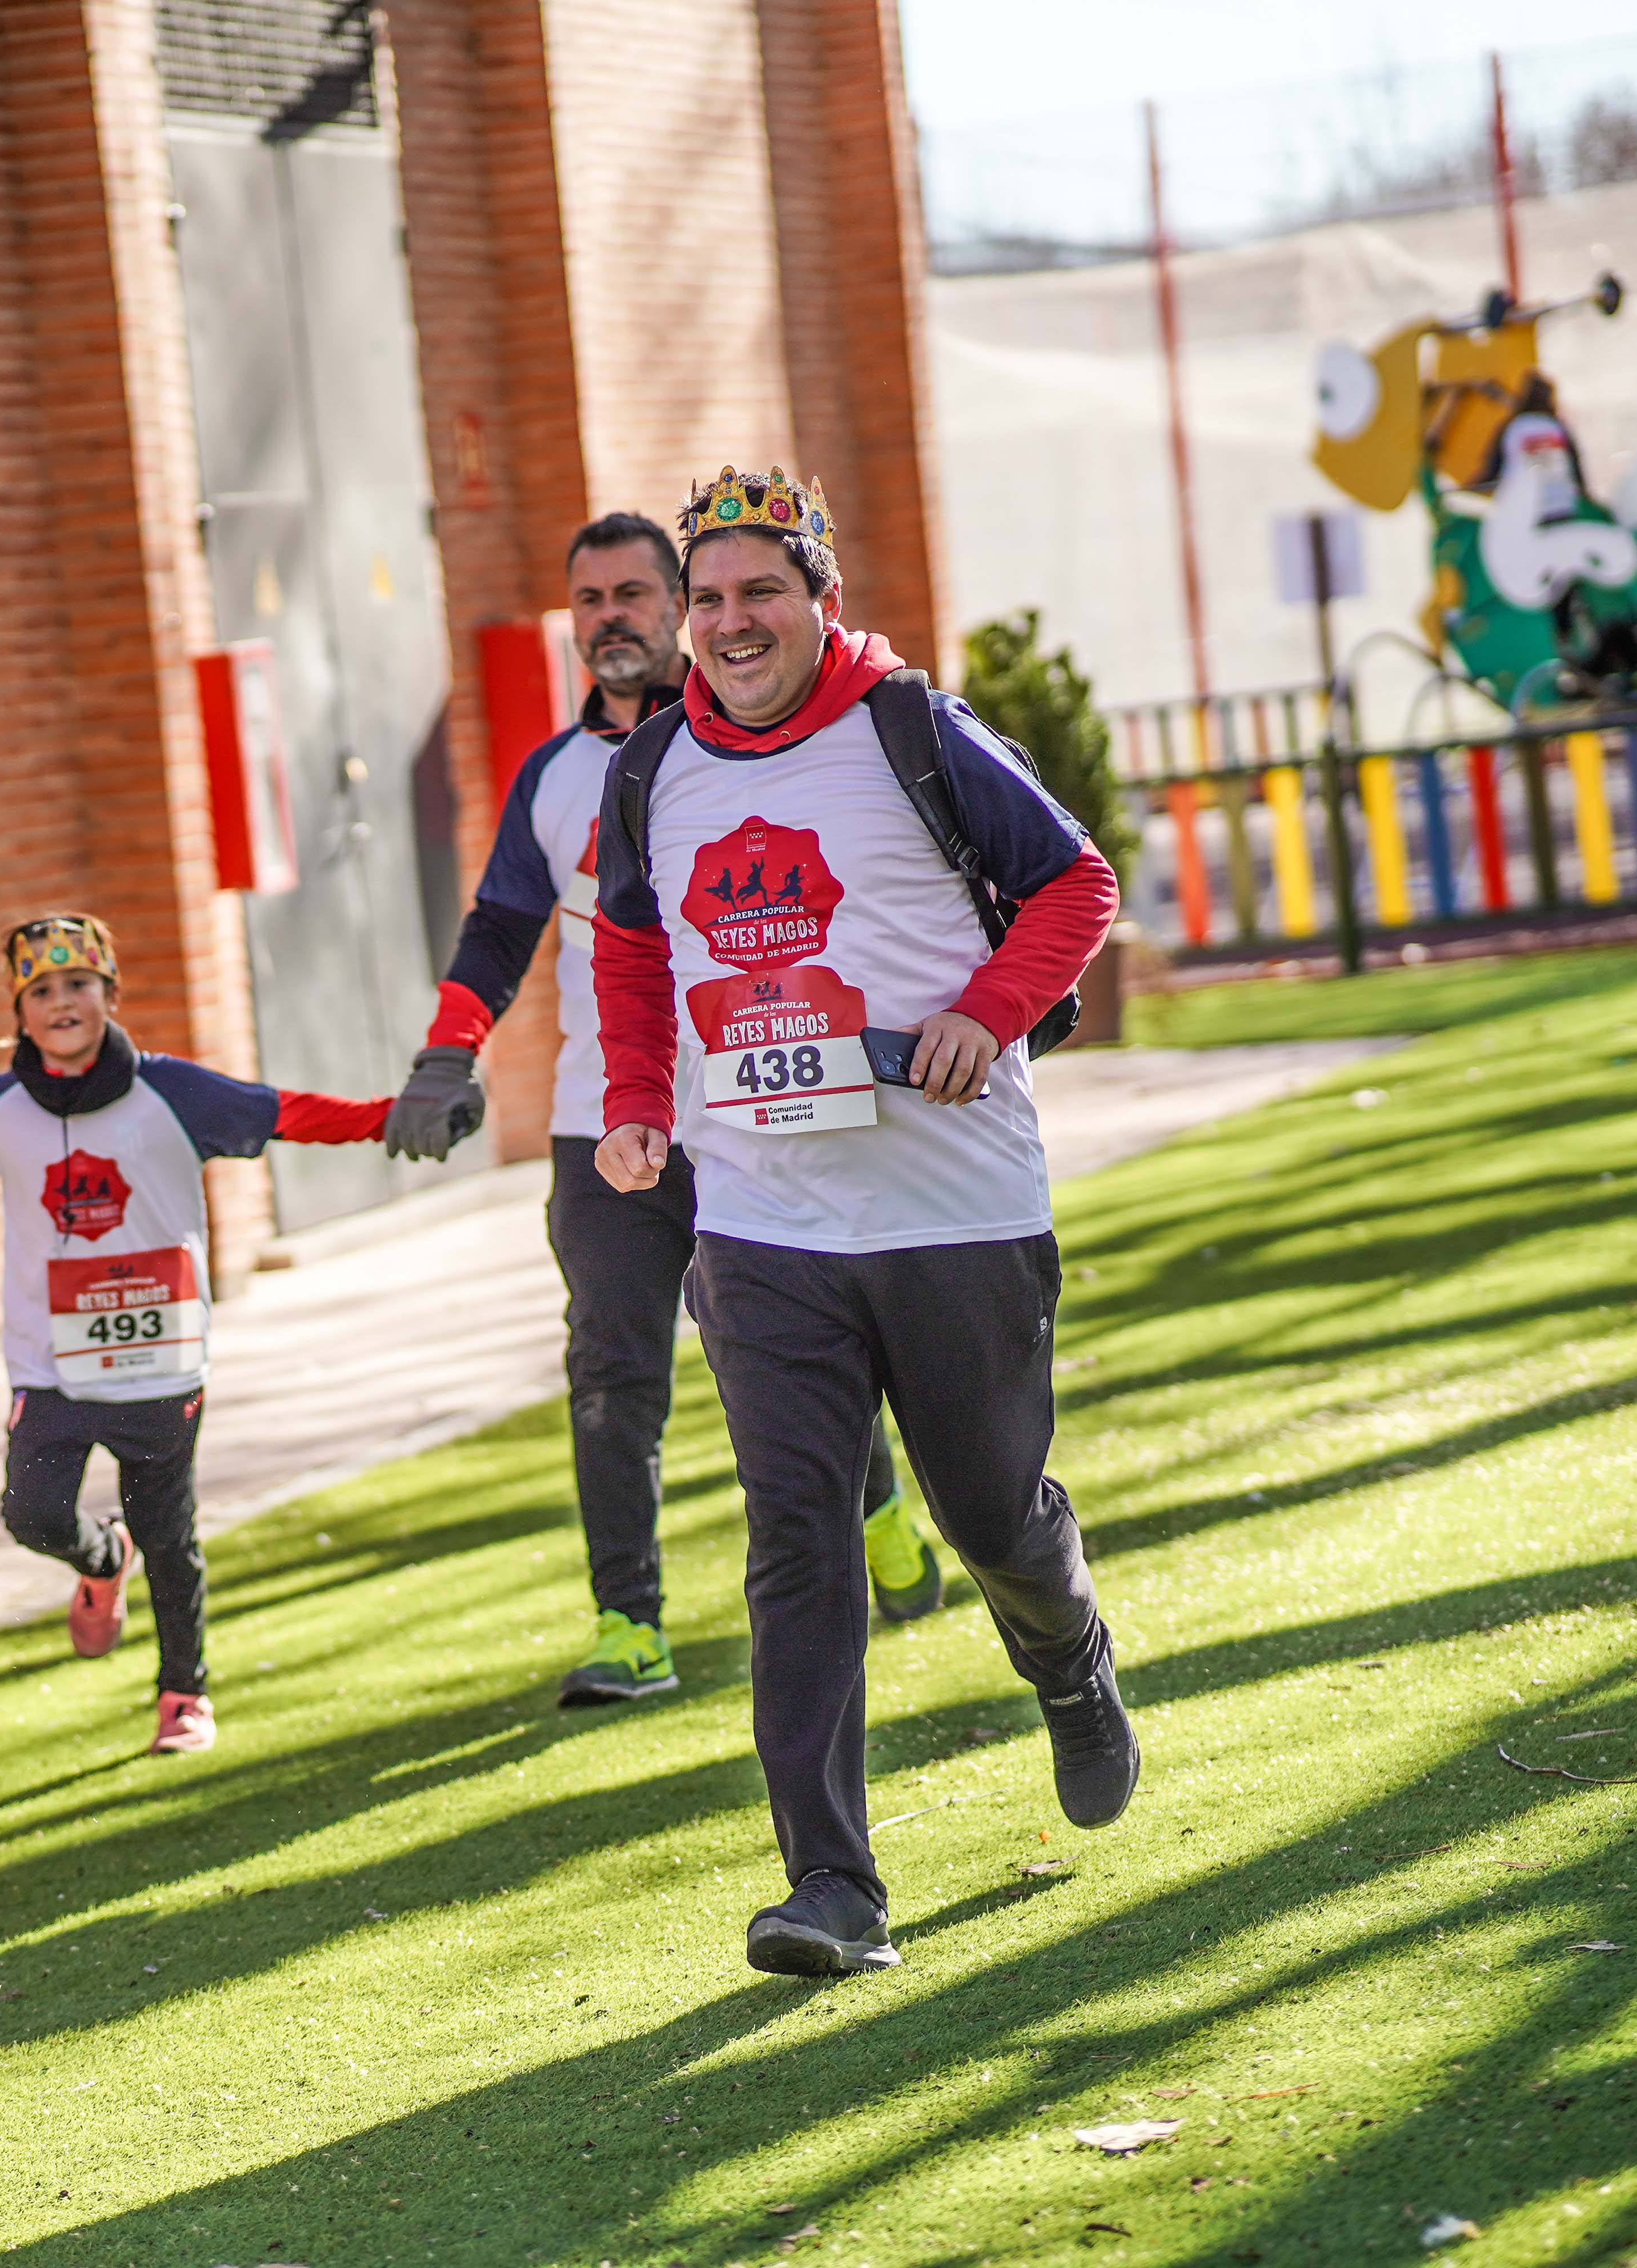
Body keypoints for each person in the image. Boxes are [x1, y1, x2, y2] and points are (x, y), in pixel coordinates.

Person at [588, 467, 1133, 1977]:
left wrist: (986, 1011)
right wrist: (637, 1102)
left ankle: (1069, 1659)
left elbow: (1077, 883)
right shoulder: (654, 771)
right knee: (798, 1540)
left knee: (989, 1512)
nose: (732, 621)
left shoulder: (914, 730)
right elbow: (632, 951)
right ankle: (830, 1884)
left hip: (955, 1206)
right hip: (762, 1221)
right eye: (707, 597)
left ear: (821, 599)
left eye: (763, 590)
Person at [383, 514, 947, 1712]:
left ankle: (877, 1506)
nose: (610, 620)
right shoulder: (553, 777)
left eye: (633, 594)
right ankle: (628, 1624)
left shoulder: (759, 749)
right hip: (606, 1121)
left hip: (761, 1098)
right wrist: (445, 1055)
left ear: (681, 609)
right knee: (611, 1364)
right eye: (588, 600)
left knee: (797, 1345)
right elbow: (499, 928)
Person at [0, 915, 391, 1755]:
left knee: (170, 1537)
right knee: (32, 1514)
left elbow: (284, 1114)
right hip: (49, 1368)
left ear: (110, 995)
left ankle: (184, 1697)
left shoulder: (173, 1093)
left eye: (79, 985)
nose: (62, 1003)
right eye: (42, 990)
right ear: (19, 1012)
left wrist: (391, 1119)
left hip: (160, 1360)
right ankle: (99, 1560)